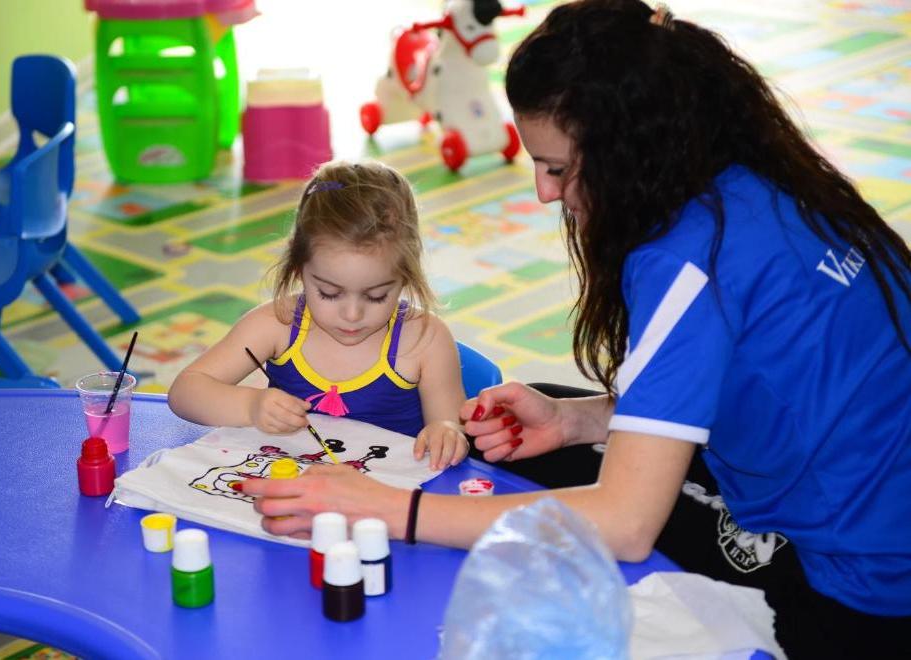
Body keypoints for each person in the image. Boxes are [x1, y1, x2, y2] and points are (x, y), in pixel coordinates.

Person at [241, 1, 911, 655]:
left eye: (557, 168)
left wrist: (390, 509)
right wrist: (578, 420)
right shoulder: (763, 179)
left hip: (860, 594)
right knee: (545, 416)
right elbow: (753, 380)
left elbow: (626, 524)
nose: (543, 191)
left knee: (544, 516)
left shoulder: (686, 259)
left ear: (629, 149)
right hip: (868, 491)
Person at [168, 160, 469, 470]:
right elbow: (185, 392)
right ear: (298, 268)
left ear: (406, 276)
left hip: (385, 493)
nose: (352, 314)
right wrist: (249, 405)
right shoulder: (276, 323)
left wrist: (447, 432)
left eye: (376, 295)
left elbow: (452, 428)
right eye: (329, 292)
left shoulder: (425, 339)